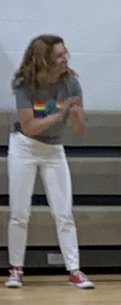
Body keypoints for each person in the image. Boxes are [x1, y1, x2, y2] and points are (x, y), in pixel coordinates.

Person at [6, 35, 94, 289]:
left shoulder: (72, 84)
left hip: (54, 150)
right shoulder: (24, 84)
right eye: (59, 55)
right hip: (24, 147)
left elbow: (78, 129)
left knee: (64, 212)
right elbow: (30, 126)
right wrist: (60, 114)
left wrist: (76, 115)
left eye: (65, 53)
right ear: (44, 60)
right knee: (20, 213)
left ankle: (74, 270)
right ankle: (16, 270)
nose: (65, 58)